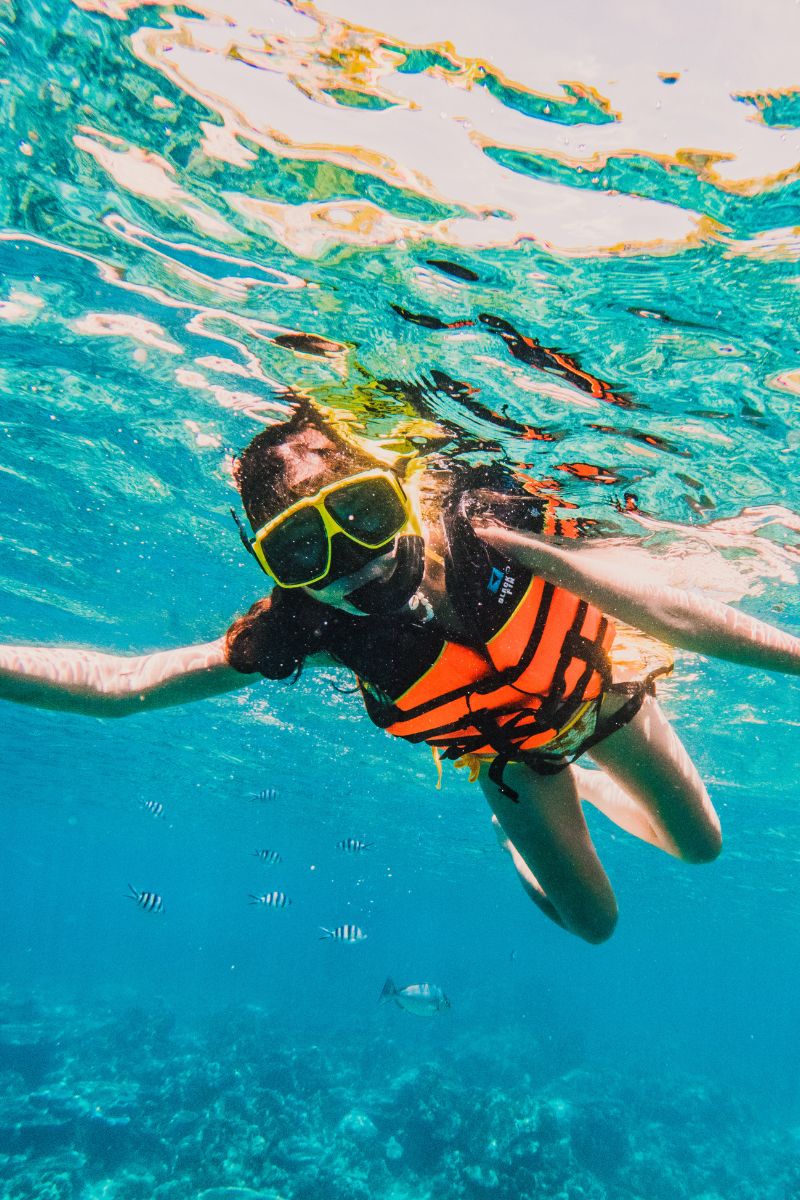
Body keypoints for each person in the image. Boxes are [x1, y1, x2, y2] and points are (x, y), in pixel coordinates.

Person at [3, 401, 800, 944]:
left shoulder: (494, 541)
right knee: (595, 925)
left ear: (400, 499)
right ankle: (528, 819)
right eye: (303, 550)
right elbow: (120, 688)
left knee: (703, 848)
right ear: (280, 572)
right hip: (511, 759)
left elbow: (675, 613)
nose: (352, 560)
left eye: (364, 514)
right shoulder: (317, 631)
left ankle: (587, 786)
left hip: (604, 697)